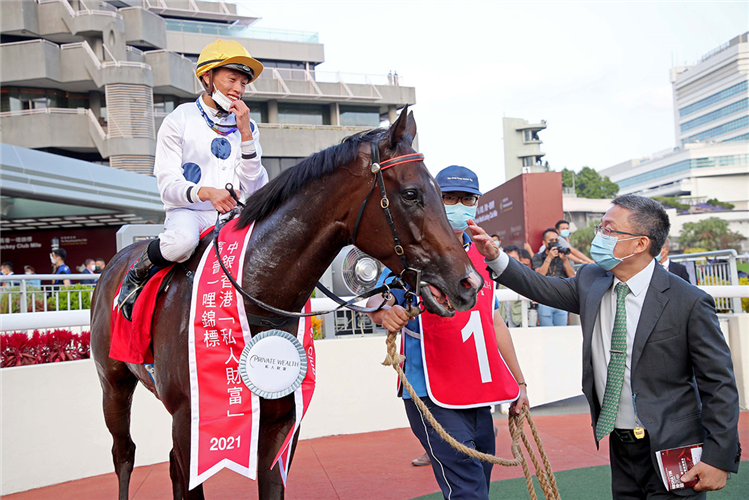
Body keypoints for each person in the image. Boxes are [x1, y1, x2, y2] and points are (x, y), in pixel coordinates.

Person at [476, 194, 740, 499]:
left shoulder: (689, 302)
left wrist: (717, 458)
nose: (598, 237)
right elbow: (541, 287)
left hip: (673, 446)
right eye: (600, 228)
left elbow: (719, 385)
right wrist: (495, 256)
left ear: (640, 244)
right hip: (621, 445)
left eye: (609, 230)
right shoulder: (591, 280)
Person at [366, 165, 529, 500]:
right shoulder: (412, 251)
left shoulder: (485, 255)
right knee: (466, 485)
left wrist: (519, 383)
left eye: (466, 198)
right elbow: (377, 299)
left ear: (477, 204)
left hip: (477, 390)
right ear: (434, 200)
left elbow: (493, 321)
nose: (458, 205)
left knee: (480, 478)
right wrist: (385, 311)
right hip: (431, 389)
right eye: (449, 197)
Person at [117, 39, 268, 320]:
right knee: (182, 243)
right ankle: (137, 272)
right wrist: (206, 193)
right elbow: (168, 186)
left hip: (235, 214)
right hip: (190, 213)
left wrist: (246, 135)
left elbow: (256, 186)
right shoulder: (179, 119)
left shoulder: (249, 126)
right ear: (206, 77)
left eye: (244, 83)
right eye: (232, 79)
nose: (238, 89)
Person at [532, 229, 575, 326]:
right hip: (545, 298)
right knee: (546, 331)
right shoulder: (538, 257)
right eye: (551, 240)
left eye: (556, 240)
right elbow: (539, 276)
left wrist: (565, 261)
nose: (554, 243)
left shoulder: (562, 256)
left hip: (561, 298)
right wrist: (549, 258)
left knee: (561, 332)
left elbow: (572, 275)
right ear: (544, 242)